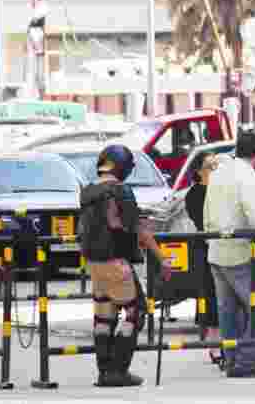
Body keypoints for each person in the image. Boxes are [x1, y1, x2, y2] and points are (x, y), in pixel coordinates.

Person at [79, 144, 172, 387]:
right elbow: (138, 230)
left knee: (104, 315)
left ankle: (104, 371)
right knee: (135, 312)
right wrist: (161, 258)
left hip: (95, 265)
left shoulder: (88, 192)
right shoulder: (121, 191)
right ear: (123, 167)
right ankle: (118, 370)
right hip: (117, 262)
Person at [203, 130, 255, 378]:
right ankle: (248, 361)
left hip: (215, 249)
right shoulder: (249, 176)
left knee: (227, 310)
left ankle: (232, 359)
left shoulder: (219, 173)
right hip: (243, 252)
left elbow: (206, 211)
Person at [184, 152, 222, 367]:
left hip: (225, 248)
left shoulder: (221, 190)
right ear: (198, 171)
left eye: (216, 165)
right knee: (211, 297)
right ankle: (214, 346)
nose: (215, 169)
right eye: (210, 166)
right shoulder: (194, 194)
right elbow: (203, 221)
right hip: (206, 250)